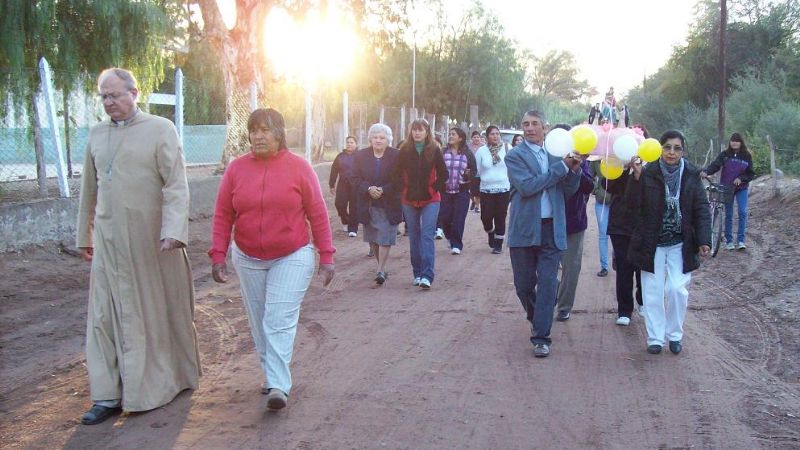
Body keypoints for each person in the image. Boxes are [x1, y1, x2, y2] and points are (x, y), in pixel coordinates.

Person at [76, 68, 201, 425]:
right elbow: (89, 188)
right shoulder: (97, 135)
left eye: (115, 95)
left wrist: (173, 230)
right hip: (108, 243)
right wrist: (85, 237)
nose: (109, 103)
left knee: (151, 313)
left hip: (151, 243)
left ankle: (159, 384)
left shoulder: (160, 130)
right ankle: (106, 395)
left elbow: (176, 184)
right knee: (103, 318)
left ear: (135, 92)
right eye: (103, 97)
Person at [209, 108, 335, 411]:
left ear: (279, 133)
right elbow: (223, 213)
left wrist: (327, 254)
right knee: (258, 320)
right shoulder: (236, 169)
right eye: (253, 130)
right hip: (248, 255)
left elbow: (317, 213)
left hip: (293, 254)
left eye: (265, 130)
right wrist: (218, 253)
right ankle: (271, 374)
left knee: (277, 318)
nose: (258, 136)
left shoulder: (300, 168)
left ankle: (279, 384)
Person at [626, 129, 711, 355]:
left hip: (681, 242)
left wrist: (704, 239)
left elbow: (701, 208)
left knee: (677, 290)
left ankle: (674, 335)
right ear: (660, 149)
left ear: (683, 151)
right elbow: (632, 205)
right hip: (651, 241)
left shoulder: (692, 175)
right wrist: (635, 179)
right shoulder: (647, 172)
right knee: (652, 290)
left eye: (677, 148)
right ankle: (655, 337)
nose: (671, 152)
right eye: (667, 147)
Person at [506, 110, 582, 357]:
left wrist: (575, 170)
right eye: (525, 124)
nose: (529, 128)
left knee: (548, 283)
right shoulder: (515, 156)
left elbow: (568, 190)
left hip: (552, 228)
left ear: (544, 127)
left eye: (535, 124)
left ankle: (541, 337)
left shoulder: (557, 153)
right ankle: (538, 315)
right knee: (524, 285)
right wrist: (562, 168)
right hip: (524, 229)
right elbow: (527, 187)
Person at [394, 119, 448, 289]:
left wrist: (433, 189)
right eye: (414, 130)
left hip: (431, 199)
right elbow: (395, 174)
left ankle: (427, 275)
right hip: (409, 200)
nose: (417, 133)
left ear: (427, 132)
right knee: (414, 237)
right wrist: (403, 189)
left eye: (421, 130)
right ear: (411, 132)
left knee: (426, 235)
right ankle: (417, 273)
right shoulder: (404, 150)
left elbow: (443, 174)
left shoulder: (435, 150)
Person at [606, 125, 649, 326]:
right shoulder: (616, 164)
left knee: (642, 266)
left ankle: (642, 300)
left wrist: (639, 174)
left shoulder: (652, 168)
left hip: (642, 224)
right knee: (623, 268)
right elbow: (609, 187)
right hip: (619, 224)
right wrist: (624, 169)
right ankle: (624, 309)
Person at [351, 123, 402, 285]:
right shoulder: (360, 156)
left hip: (389, 203)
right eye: (375, 137)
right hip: (368, 203)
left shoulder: (397, 155)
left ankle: (380, 269)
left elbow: (400, 179)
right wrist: (368, 188)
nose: (378, 140)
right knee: (373, 237)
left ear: (388, 140)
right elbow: (353, 178)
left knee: (385, 237)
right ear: (370, 139)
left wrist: (383, 190)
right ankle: (380, 267)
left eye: (382, 138)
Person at [553, 125, 594, 322]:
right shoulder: (547, 159)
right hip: (548, 220)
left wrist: (576, 168)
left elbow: (589, 186)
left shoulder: (580, 159)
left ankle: (564, 306)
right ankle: (551, 292)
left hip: (574, 221)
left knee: (572, 266)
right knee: (546, 266)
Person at [701, 132, 755, 250]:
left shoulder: (746, 156)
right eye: (732, 140)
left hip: (741, 188)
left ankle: (741, 241)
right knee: (729, 213)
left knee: (742, 212)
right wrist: (706, 172)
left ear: (741, 142)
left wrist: (741, 179)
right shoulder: (725, 155)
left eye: (737, 140)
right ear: (730, 142)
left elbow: (751, 173)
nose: (734, 142)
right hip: (726, 188)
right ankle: (729, 241)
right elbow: (715, 165)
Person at [436, 127, 477, 254]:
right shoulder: (443, 152)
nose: (451, 136)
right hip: (445, 191)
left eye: (453, 134)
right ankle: (449, 237)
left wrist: (468, 176)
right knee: (445, 218)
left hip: (462, 191)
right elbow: (436, 169)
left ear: (460, 138)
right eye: (450, 134)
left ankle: (457, 245)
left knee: (459, 218)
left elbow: (474, 170)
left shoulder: (467, 154)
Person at [475, 125, 511, 254]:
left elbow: (512, 167)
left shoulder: (507, 149)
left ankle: (498, 244)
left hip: (503, 189)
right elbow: (478, 170)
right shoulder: (481, 151)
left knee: (501, 216)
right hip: (486, 190)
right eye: (492, 134)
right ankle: (490, 232)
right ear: (487, 136)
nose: (495, 136)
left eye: (497, 134)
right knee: (486, 217)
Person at [330, 136, 359, 237]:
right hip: (343, 183)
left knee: (354, 207)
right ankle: (345, 220)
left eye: (352, 142)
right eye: (348, 142)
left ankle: (353, 229)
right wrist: (332, 184)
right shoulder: (340, 156)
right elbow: (334, 170)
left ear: (356, 144)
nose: (349, 144)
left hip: (356, 184)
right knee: (339, 204)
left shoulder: (360, 156)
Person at [589, 159, 612, 277]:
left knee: (617, 234)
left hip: (617, 201)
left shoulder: (619, 156)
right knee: (603, 234)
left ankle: (616, 259)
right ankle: (604, 266)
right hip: (601, 201)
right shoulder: (596, 160)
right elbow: (590, 176)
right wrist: (596, 190)